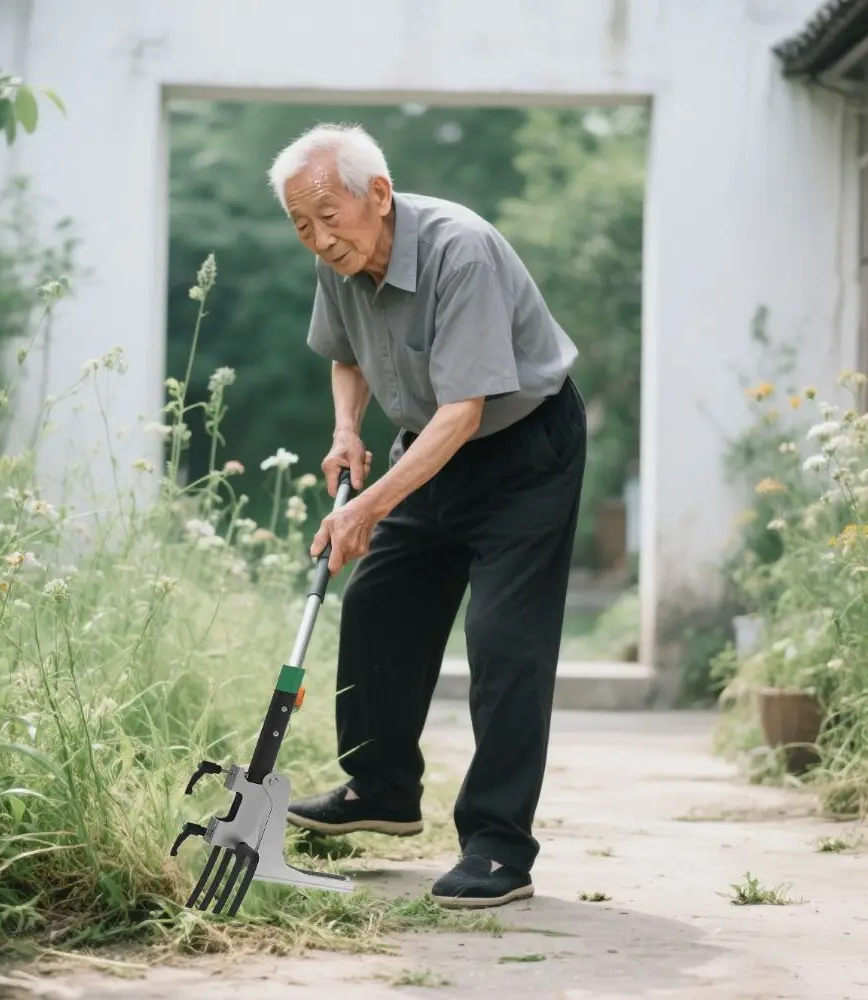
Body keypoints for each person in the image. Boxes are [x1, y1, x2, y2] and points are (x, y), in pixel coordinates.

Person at [266, 123, 586, 909]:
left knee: (504, 643)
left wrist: (367, 507)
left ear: (378, 194)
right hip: (428, 445)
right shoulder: (338, 259)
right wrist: (346, 431)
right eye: (301, 225)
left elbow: (465, 410)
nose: (319, 238)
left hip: (522, 451)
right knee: (378, 604)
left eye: (327, 216)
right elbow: (346, 351)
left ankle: (498, 846)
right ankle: (381, 787)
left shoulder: (458, 250)